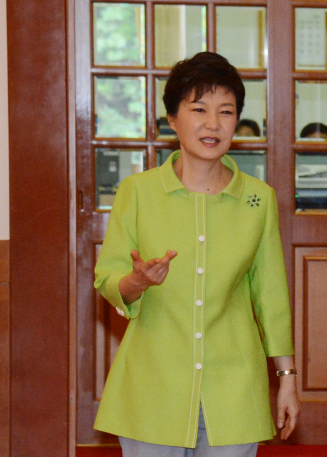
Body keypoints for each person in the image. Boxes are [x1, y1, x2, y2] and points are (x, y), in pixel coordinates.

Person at [94, 52, 299, 456]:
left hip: (235, 389)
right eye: (199, 109)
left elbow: (271, 295)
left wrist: (287, 378)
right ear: (172, 119)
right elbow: (108, 279)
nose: (213, 123)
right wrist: (137, 281)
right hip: (153, 387)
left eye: (226, 111)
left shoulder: (259, 199)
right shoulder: (137, 192)